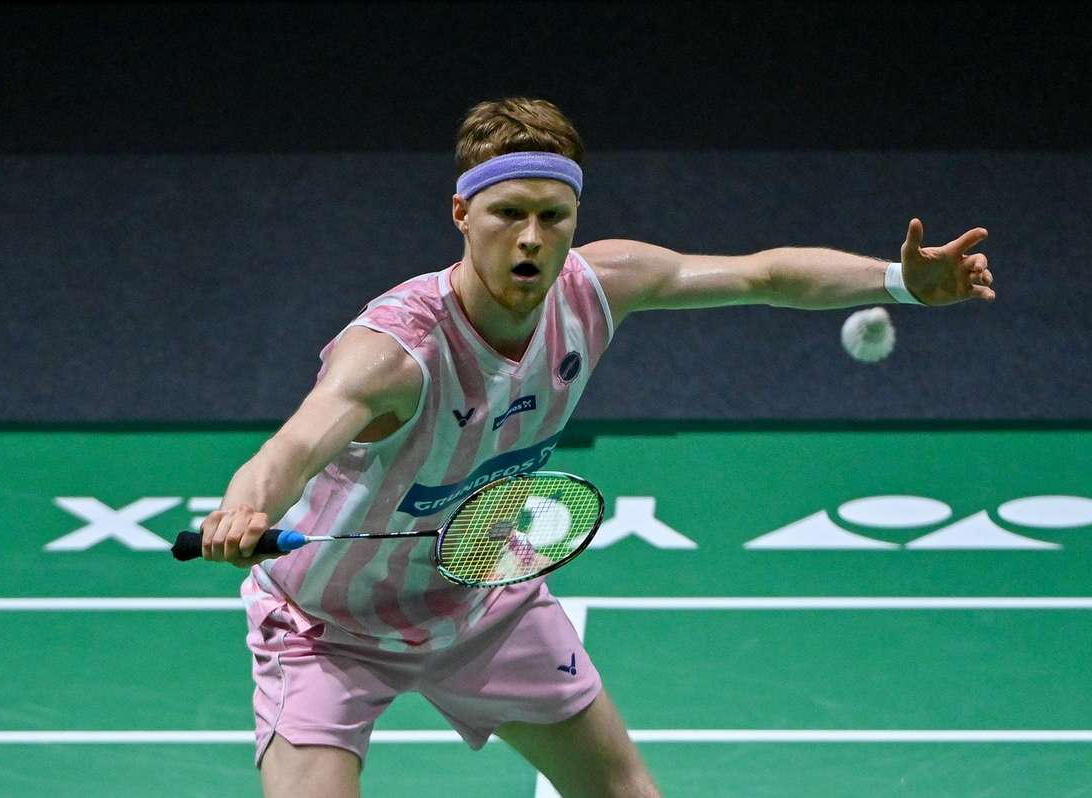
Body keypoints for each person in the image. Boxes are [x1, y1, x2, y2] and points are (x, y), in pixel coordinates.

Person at [198, 97, 995, 797]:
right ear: (462, 213)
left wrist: (899, 282)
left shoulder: (595, 288)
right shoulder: (397, 352)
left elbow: (765, 275)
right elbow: (292, 446)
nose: (531, 238)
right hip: (325, 629)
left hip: (481, 598)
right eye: (508, 213)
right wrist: (245, 507)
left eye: (553, 216)